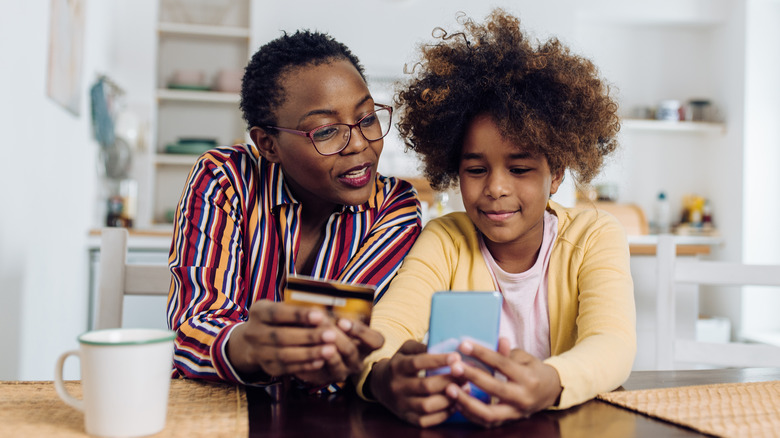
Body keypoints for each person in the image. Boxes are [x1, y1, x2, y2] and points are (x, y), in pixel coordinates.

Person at [356, 9, 636, 427]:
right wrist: (382, 376)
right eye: (475, 169)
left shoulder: (594, 235)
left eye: (520, 169)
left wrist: (551, 380)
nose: (496, 188)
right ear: (454, 169)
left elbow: (612, 343)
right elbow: (389, 325)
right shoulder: (444, 239)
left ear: (555, 173)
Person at [167, 30, 421, 390]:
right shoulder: (225, 180)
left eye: (366, 118)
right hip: (215, 408)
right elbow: (192, 329)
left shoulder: (393, 207)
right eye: (326, 131)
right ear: (268, 144)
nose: (360, 144)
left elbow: (347, 340)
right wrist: (248, 347)